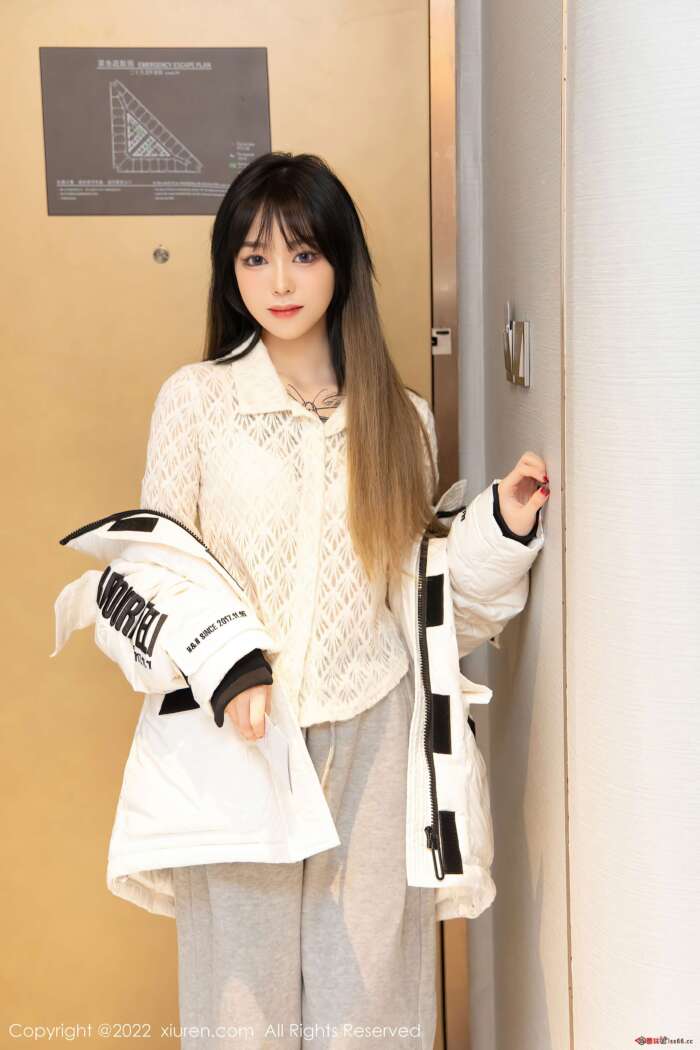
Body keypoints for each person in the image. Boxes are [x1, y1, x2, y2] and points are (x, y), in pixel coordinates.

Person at [138, 151, 549, 1050]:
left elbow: (427, 604)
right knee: (240, 1015)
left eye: (304, 253)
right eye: (254, 258)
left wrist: (502, 528)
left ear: (342, 261)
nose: (280, 282)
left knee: (370, 1012)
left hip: (374, 737)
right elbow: (153, 573)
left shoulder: (401, 418)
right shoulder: (196, 402)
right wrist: (229, 667)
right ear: (230, 271)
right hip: (240, 734)